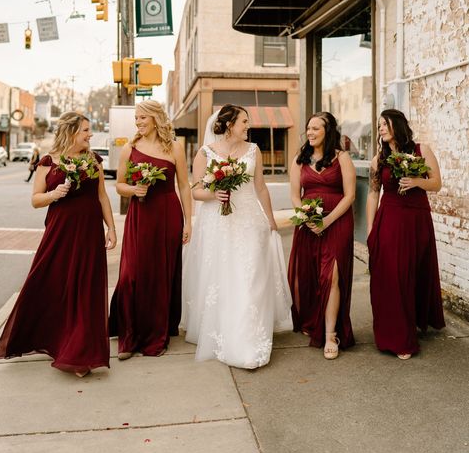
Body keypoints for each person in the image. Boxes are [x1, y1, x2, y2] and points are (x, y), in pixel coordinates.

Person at [0, 112, 116, 377]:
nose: (90, 134)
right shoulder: (48, 162)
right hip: (59, 233)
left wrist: (111, 228)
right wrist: (54, 194)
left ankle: (80, 352)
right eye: (86, 130)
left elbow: (102, 197)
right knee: (51, 283)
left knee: (85, 288)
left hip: (88, 233)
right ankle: (50, 339)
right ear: (72, 131)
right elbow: (35, 199)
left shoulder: (93, 160)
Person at [181, 104, 292, 369]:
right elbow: (196, 192)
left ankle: (250, 340)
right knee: (225, 278)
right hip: (218, 224)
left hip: (250, 221)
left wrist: (270, 219)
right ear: (230, 124)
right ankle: (228, 334)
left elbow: (261, 187)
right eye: (244, 121)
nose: (248, 126)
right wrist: (214, 194)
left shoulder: (253, 151)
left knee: (251, 277)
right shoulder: (205, 153)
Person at [109, 100, 192, 359]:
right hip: (140, 216)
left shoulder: (174, 148)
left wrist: (189, 221)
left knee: (160, 274)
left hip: (168, 214)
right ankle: (129, 336)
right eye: (136, 119)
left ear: (156, 118)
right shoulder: (129, 149)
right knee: (131, 274)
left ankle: (156, 334)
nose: (138, 123)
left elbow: (184, 186)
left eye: (142, 118)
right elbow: (119, 185)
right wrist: (134, 190)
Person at [366, 109, 445, 359]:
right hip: (389, 218)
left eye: (384, 124)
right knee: (392, 276)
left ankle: (411, 323)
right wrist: (370, 230)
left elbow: (437, 183)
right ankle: (398, 336)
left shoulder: (422, 150)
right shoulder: (378, 159)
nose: (380, 128)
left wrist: (417, 181)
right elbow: (372, 193)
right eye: (378, 125)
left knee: (414, 273)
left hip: (417, 219)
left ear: (397, 125)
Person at [288, 112, 356, 359]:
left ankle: (330, 335)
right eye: (308, 128)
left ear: (328, 131)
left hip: (337, 222)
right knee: (310, 275)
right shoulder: (300, 159)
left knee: (332, 276)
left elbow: (350, 196)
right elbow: (296, 194)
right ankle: (313, 318)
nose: (310, 132)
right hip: (308, 223)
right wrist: (306, 216)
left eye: (316, 128)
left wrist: (327, 220)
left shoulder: (342, 158)